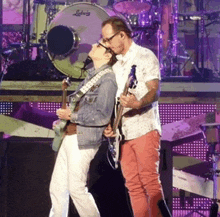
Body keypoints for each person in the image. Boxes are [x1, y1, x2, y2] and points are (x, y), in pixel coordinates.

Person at [102, 16, 171, 217]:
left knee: (149, 181)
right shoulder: (114, 65)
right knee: (133, 185)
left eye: (109, 39)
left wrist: (138, 103)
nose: (107, 44)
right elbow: (115, 102)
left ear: (122, 35)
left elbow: (155, 91)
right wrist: (110, 125)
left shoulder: (144, 56)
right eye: (104, 40)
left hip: (144, 129)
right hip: (122, 135)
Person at [49, 40, 117, 217]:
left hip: (83, 139)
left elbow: (102, 115)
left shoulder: (108, 79)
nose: (94, 45)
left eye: (99, 45)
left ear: (108, 55)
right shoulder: (91, 76)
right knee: (57, 188)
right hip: (71, 136)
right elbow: (80, 107)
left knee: (76, 189)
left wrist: (71, 117)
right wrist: (64, 123)